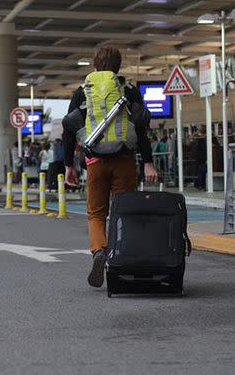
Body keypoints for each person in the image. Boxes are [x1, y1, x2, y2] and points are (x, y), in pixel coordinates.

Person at [63, 46, 157, 288]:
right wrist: (148, 162)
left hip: (95, 163)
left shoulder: (82, 92)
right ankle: (123, 258)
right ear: (118, 66)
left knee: (96, 214)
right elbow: (141, 128)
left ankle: (98, 251)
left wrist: (68, 165)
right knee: (124, 211)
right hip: (124, 161)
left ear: (95, 65)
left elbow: (69, 129)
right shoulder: (128, 90)